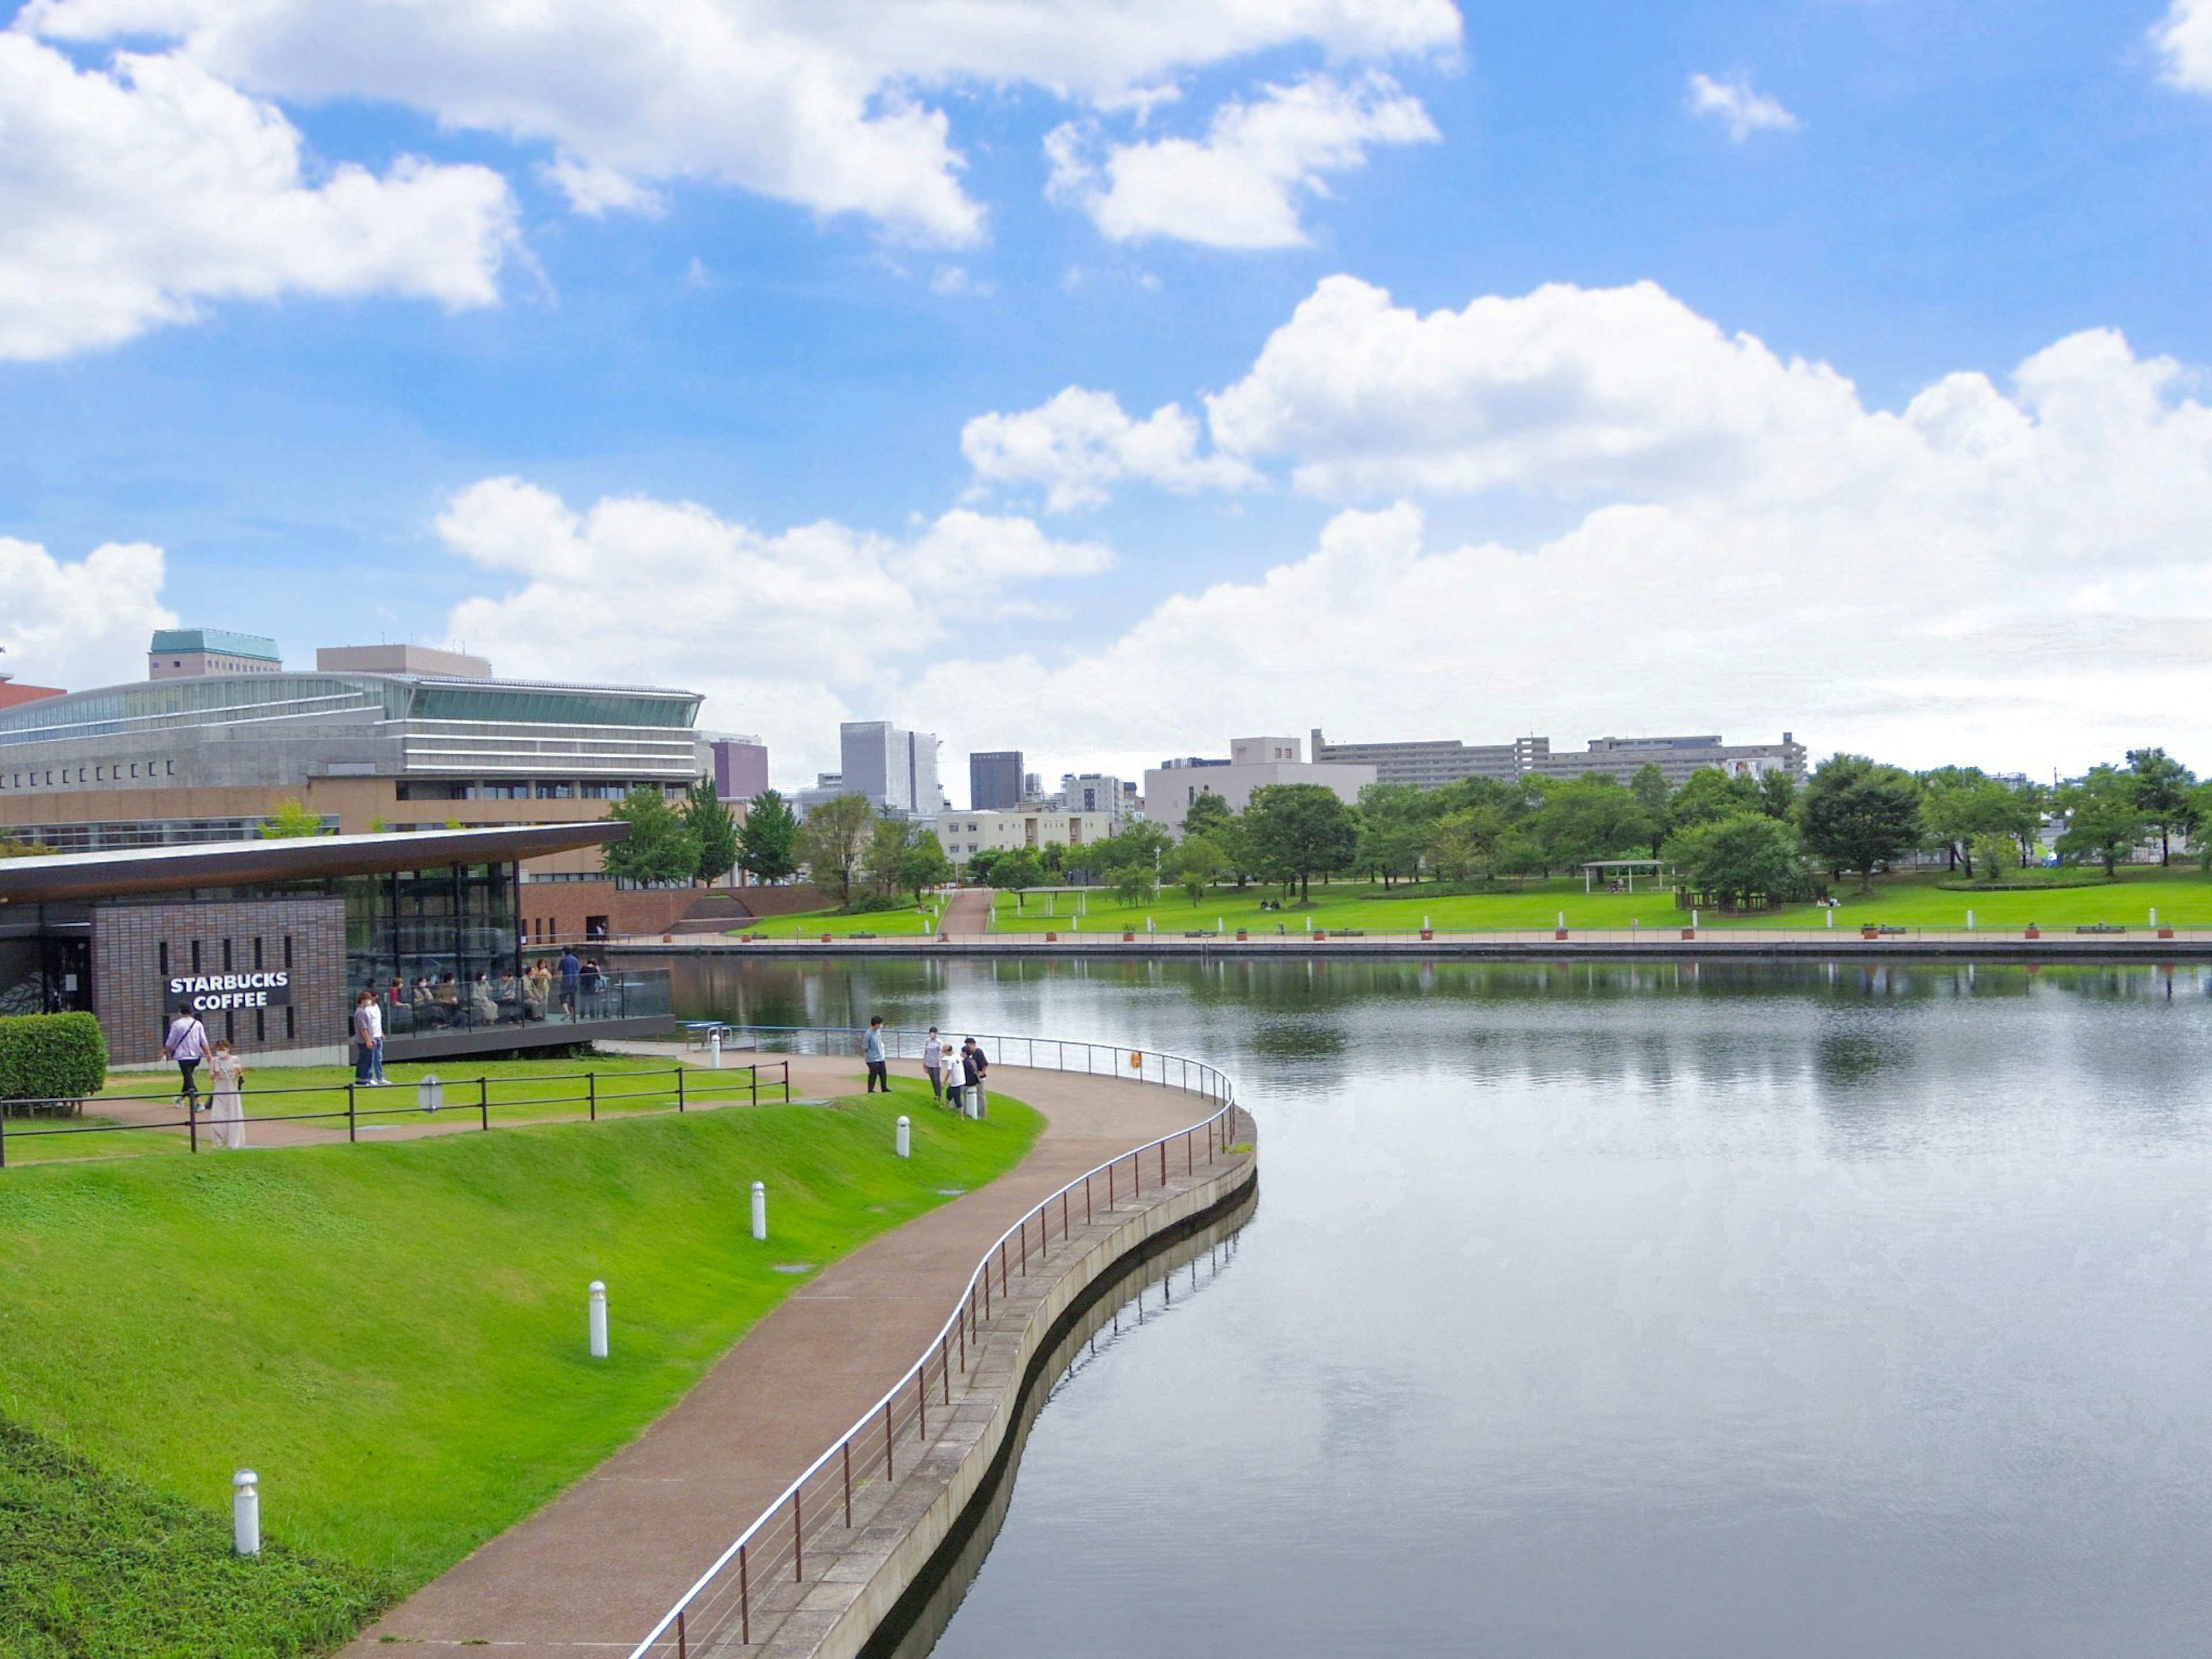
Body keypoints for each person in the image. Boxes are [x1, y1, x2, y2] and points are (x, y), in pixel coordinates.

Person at [163, 1005, 209, 1111]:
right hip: (196, 1055)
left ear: (180, 1012)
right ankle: (181, 1099)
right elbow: (203, 1040)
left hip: (183, 1056)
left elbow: (171, 1041)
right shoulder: (197, 1024)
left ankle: (198, 1102)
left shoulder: (177, 1025)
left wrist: (165, 1051)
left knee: (189, 1079)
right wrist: (208, 1054)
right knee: (188, 1079)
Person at [206, 1039, 247, 1150]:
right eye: (218, 1050)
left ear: (228, 1049)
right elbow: (210, 1075)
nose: (220, 1052)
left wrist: (238, 1073)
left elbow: (240, 1074)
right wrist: (215, 1074)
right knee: (217, 1114)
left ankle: (233, 1143)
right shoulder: (215, 1061)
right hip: (219, 1089)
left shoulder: (234, 1060)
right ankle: (217, 1141)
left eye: (222, 1049)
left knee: (233, 1114)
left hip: (231, 1089)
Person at [352, 989, 385, 1085]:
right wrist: (368, 1040)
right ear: (363, 1000)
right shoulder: (361, 1013)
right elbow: (364, 1029)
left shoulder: (362, 1012)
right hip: (363, 1041)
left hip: (366, 1040)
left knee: (366, 1059)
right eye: (368, 1000)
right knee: (366, 1060)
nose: (369, 1002)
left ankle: (363, 1078)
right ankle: (364, 1078)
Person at [963, 1038, 988, 1118]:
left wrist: (982, 1073)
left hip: (980, 1078)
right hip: (974, 1077)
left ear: (973, 1044)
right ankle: (972, 1111)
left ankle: (982, 1114)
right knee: (974, 1094)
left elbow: (985, 1064)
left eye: (968, 1045)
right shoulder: (971, 1054)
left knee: (981, 1095)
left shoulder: (979, 1053)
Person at [863, 1016, 889, 1093]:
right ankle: (870, 1090)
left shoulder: (878, 1032)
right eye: (880, 1024)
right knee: (873, 1074)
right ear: (876, 1024)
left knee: (883, 1073)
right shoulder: (868, 1034)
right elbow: (865, 1047)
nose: (881, 1025)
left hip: (880, 1057)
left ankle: (884, 1088)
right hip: (872, 1059)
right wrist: (869, 1055)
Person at [921, 1027, 945, 1101]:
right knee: (933, 1080)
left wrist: (939, 1059)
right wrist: (924, 1062)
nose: (933, 1034)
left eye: (934, 1033)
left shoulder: (939, 1042)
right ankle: (936, 1094)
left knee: (937, 1080)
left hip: (936, 1064)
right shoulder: (928, 1041)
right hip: (929, 1063)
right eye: (931, 1033)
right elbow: (926, 1052)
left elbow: (943, 1053)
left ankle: (939, 1095)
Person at [558, 946, 581, 1021]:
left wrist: (559, 980)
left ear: (564, 952)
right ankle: (573, 1015)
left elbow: (561, 972)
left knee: (562, 997)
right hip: (575, 982)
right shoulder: (576, 960)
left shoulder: (563, 960)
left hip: (566, 982)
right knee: (573, 999)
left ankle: (567, 1012)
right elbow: (578, 970)